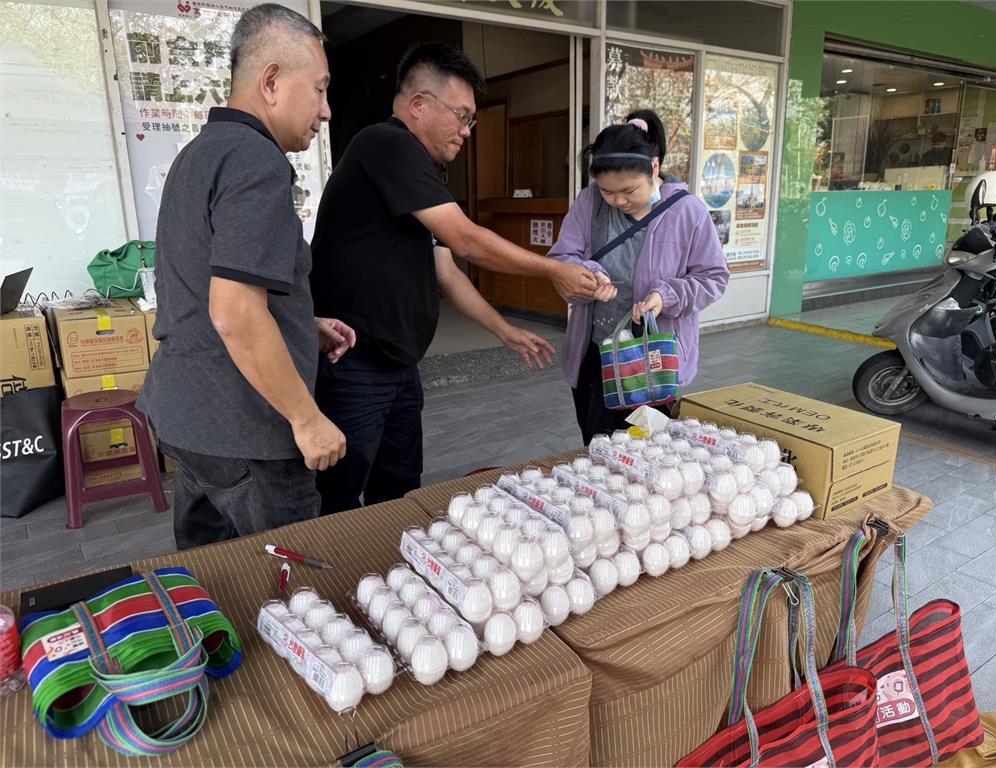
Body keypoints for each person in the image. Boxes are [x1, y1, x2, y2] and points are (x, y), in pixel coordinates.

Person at [310, 41, 599, 513]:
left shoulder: (419, 171)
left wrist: (503, 330)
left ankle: (392, 577)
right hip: (354, 360)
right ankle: (331, 581)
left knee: (400, 486)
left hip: (399, 363)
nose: (466, 131)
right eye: (462, 115)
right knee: (339, 494)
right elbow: (465, 238)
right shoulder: (386, 143)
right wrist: (553, 270)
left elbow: (446, 267)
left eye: (471, 120)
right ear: (419, 105)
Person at [139, 4, 353, 550]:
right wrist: (307, 420)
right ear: (273, 81)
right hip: (246, 430)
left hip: (187, 419)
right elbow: (233, 312)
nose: (326, 111)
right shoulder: (256, 161)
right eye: (321, 89)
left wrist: (301, 323)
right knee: (290, 594)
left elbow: (211, 286)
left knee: (211, 579)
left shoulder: (198, 154)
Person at [547, 109, 730, 444]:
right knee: (598, 447)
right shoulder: (589, 203)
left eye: (628, 190)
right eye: (607, 191)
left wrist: (666, 296)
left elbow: (712, 277)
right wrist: (589, 275)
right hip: (596, 357)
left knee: (650, 450)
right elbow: (562, 259)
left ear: (654, 168)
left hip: (654, 360)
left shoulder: (688, 212)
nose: (617, 201)